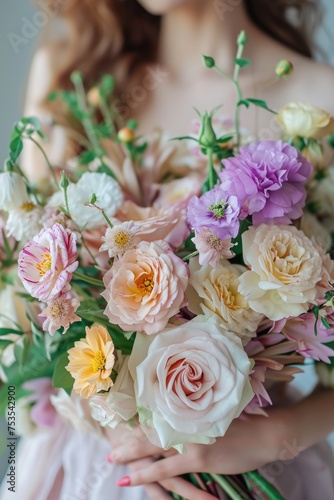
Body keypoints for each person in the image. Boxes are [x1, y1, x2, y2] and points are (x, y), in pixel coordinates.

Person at [3, 1, 334, 499]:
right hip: (88, 470)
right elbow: (22, 291)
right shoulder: (74, 72)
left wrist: (273, 438)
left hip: (247, 472)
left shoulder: (321, 104)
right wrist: (106, 415)